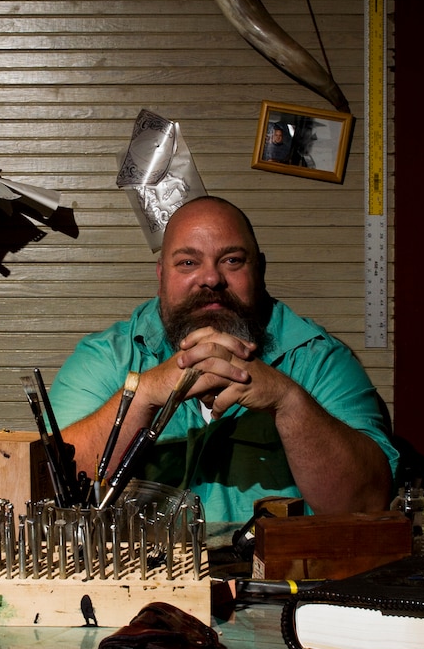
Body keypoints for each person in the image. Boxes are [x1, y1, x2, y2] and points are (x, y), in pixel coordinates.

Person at [49, 196, 396, 523]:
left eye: (232, 260)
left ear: (258, 270)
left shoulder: (318, 360)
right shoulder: (107, 357)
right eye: (188, 262)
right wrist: (147, 392)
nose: (211, 279)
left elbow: (367, 506)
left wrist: (289, 402)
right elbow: (47, 487)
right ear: (161, 275)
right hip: (134, 582)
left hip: (283, 583)